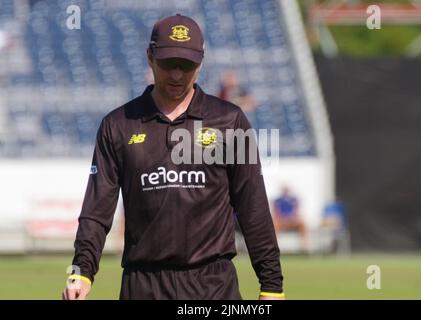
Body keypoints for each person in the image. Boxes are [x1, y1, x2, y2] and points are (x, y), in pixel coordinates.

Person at [62, 14, 284, 300]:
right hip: (142, 286)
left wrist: (272, 285)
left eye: (187, 65)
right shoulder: (117, 125)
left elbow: (253, 206)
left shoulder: (230, 121)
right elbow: (96, 210)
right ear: (149, 57)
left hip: (213, 288)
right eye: (168, 64)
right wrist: (80, 271)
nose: (177, 75)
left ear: (201, 62)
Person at [272, 186, 310, 253]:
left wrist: (292, 219)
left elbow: (296, 212)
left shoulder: (294, 200)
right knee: (275, 225)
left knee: (303, 225)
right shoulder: (277, 201)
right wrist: (283, 220)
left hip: (292, 221)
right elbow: (276, 213)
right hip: (281, 221)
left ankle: (304, 247)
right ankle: (274, 247)